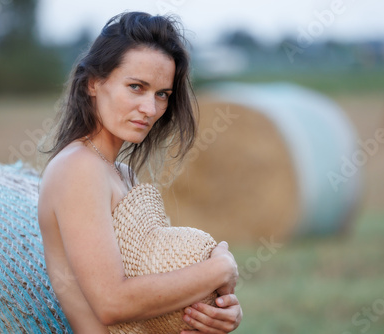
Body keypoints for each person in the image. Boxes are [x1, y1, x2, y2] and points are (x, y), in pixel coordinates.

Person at [37, 11, 242, 334]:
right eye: (136, 87)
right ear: (94, 83)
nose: (150, 109)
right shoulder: (78, 168)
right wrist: (221, 269)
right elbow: (112, 303)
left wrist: (217, 311)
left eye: (162, 94)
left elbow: (153, 282)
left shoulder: (121, 173)